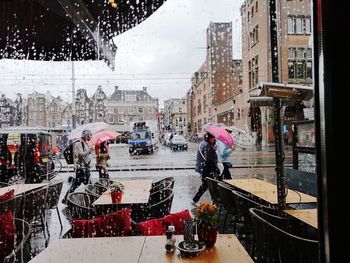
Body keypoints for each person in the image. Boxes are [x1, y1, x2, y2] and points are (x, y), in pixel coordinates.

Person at [62, 129, 93, 204]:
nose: (91, 137)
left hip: (84, 167)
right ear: (86, 136)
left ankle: (65, 199)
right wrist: (89, 151)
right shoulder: (78, 143)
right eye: (90, 135)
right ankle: (92, 200)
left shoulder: (84, 143)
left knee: (78, 184)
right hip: (82, 168)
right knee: (88, 185)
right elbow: (80, 155)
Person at [192, 132, 218, 205]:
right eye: (214, 138)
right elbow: (210, 159)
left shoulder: (205, 143)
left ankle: (214, 201)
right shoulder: (207, 145)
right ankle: (215, 201)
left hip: (203, 168)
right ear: (211, 138)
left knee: (208, 185)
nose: (215, 139)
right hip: (206, 169)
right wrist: (215, 169)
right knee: (209, 185)